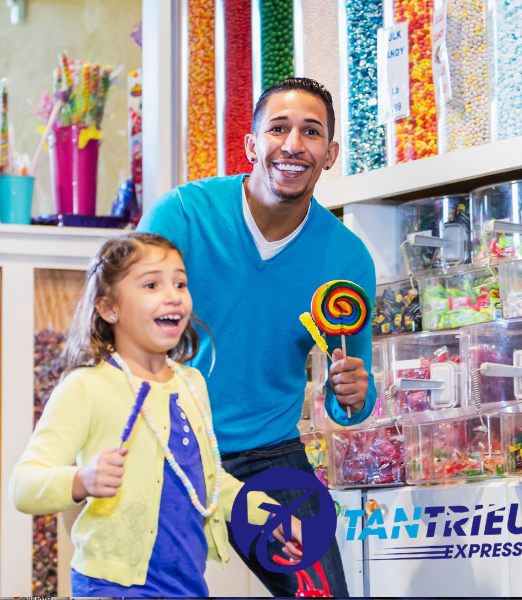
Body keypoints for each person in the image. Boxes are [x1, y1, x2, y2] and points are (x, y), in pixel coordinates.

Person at [137, 77, 377, 597]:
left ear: (330, 154)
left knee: (320, 594)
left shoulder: (347, 259)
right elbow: (122, 332)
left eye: (311, 132)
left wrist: (353, 395)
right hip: (165, 446)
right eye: (278, 128)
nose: (293, 144)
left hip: (267, 454)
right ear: (250, 144)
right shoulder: (182, 215)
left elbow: (353, 394)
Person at [9, 233, 303, 598]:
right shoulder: (86, 387)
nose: (173, 295)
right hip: (111, 588)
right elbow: (23, 486)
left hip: (188, 587)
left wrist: (272, 515)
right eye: (152, 284)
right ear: (108, 308)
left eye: (180, 283)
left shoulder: (191, 383)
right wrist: (81, 480)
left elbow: (210, 484)